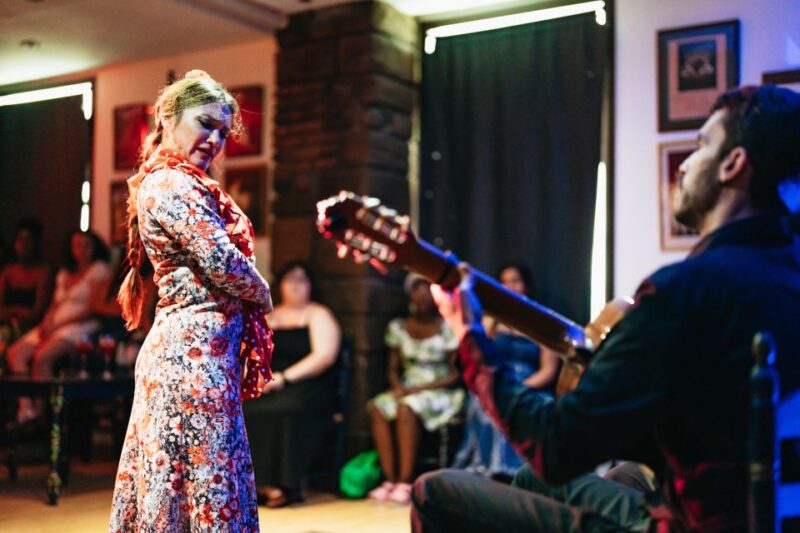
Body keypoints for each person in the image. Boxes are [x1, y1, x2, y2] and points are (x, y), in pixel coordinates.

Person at [411, 85, 800, 532]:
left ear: (733, 165)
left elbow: (555, 447)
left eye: (700, 146)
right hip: (761, 512)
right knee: (595, 477)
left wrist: (469, 334)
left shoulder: (686, 292)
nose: (685, 165)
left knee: (434, 491)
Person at [109, 70, 273, 533]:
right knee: (200, 489)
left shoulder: (181, 182)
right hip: (188, 361)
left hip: (200, 357)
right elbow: (222, 261)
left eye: (222, 131)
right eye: (205, 124)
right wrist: (263, 292)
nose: (215, 139)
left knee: (203, 486)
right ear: (168, 117)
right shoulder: (169, 184)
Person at [242, 261, 341, 508]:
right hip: (269, 384)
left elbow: (324, 356)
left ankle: (284, 485)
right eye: (290, 280)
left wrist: (284, 378)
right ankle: (253, 485)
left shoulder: (318, 314)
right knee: (246, 410)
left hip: (306, 384)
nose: (296, 286)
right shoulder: (269, 315)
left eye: (302, 280)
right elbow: (251, 353)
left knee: (285, 411)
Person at [453, 263, 559, 480]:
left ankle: (518, 473)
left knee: (524, 405)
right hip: (496, 379)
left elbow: (549, 369)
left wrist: (520, 387)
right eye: (504, 282)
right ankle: (487, 468)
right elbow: (478, 353)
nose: (510, 286)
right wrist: (494, 316)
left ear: (526, 285)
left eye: (515, 281)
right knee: (483, 404)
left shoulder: (542, 320)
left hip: (531, 383)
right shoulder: (490, 319)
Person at [367, 274, 462, 505]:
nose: (423, 296)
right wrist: (398, 386)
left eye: (428, 290)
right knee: (379, 406)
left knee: (406, 408)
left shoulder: (447, 327)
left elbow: (455, 374)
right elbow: (392, 368)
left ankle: (405, 480)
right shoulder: (398, 327)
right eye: (417, 290)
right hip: (408, 386)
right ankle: (389, 479)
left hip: (439, 389)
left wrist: (421, 388)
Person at [6, 230, 110, 422]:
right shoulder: (64, 273)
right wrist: (46, 323)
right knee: (15, 353)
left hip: (80, 324)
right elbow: (54, 305)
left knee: (42, 357)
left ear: (94, 247)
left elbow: (92, 307)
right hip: (56, 323)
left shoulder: (99, 269)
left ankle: (44, 412)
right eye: (77, 245)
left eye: (86, 245)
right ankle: (26, 407)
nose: (82, 250)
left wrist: (58, 324)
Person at [0, 218, 53, 336]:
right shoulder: (8, 271)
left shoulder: (42, 273)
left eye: (28, 240)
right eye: (19, 240)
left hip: (29, 330)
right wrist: (17, 311)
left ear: (35, 244)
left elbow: (37, 313)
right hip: (5, 325)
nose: (23, 245)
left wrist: (14, 313)